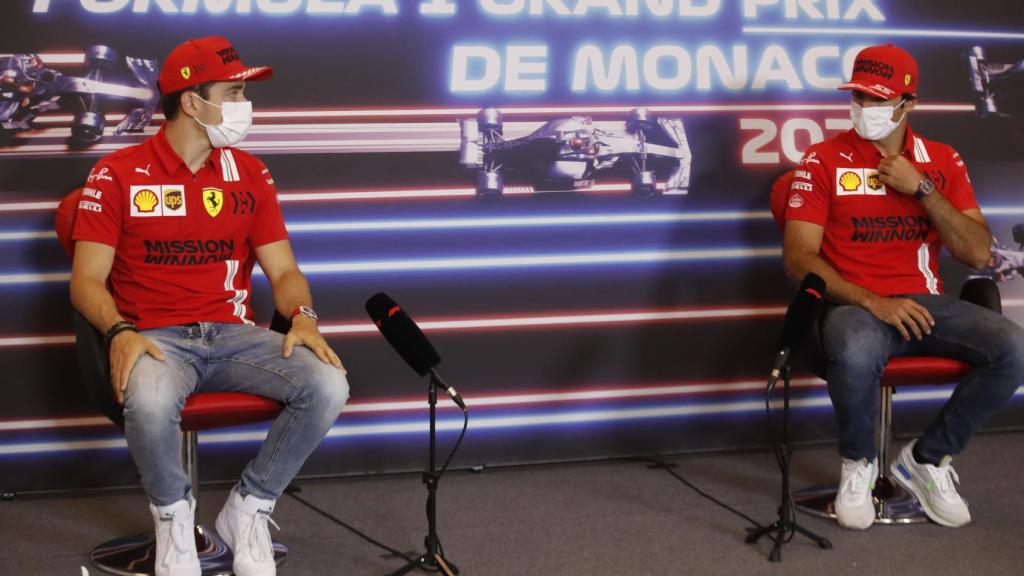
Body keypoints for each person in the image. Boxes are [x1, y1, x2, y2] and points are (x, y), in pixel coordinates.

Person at [69, 36, 349, 576]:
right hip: (155, 337)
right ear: (193, 102)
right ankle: (174, 524)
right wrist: (120, 331)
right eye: (235, 91)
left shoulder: (250, 173)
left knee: (328, 382)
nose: (246, 105)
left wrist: (304, 319)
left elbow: (285, 271)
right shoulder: (118, 172)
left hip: (231, 334)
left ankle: (248, 509)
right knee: (149, 401)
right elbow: (86, 281)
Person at [783, 44, 1024, 530]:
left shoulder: (941, 160)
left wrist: (923, 189)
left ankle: (927, 460)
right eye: (858, 97)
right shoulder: (822, 159)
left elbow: (978, 252)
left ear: (907, 103)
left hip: (927, 301)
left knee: (1015, 348)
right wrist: (875, 301)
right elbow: (798, 258)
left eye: (877, 99)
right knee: (852, 350)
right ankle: (859, 463)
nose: (864, 109)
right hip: (855, 303)